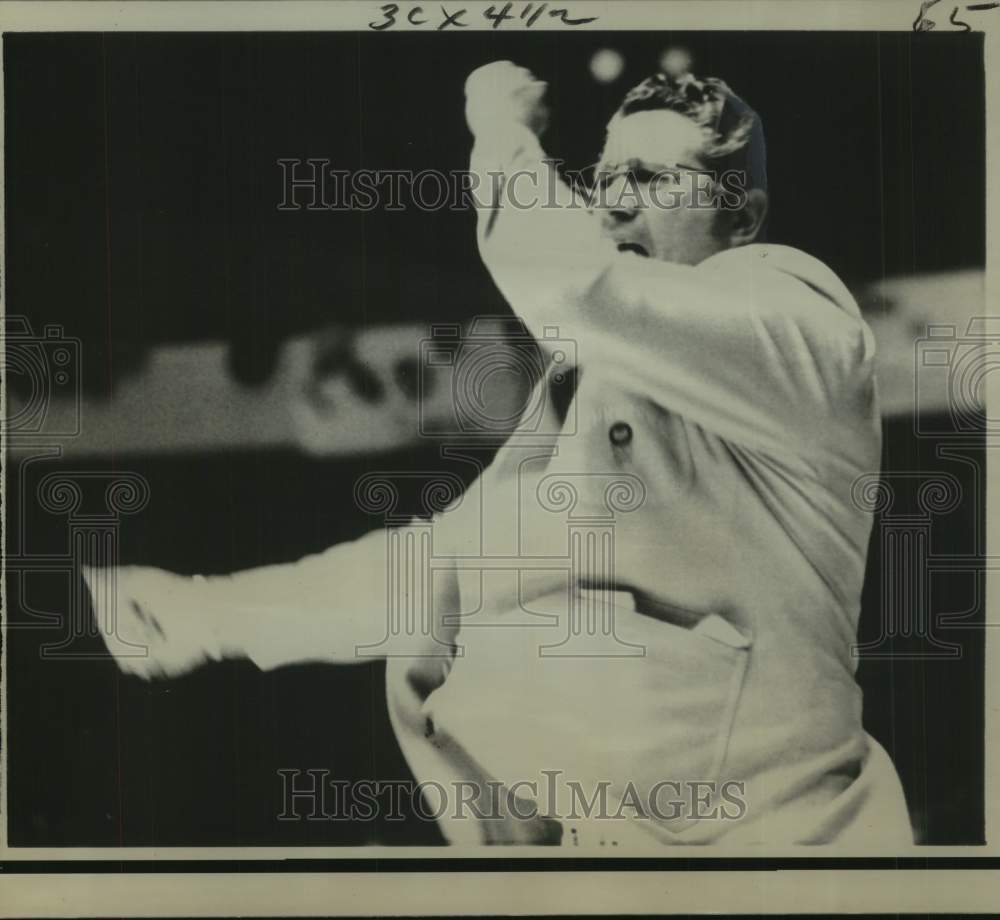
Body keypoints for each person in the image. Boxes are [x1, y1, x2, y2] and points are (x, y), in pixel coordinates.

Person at [85, 61, 913, 847]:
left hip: (788, 851)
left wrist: (501, 129)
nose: (617, 206)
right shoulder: (583, 397)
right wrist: (205, 612)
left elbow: (571, 285)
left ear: (745, 215)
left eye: (657, 181)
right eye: (606, 180)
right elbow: (437, 569)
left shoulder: (803, 329)